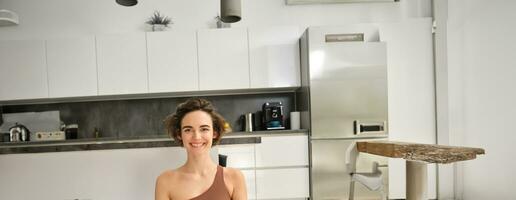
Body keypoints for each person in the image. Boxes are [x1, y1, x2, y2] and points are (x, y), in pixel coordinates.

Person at [155, 98, 247, 200]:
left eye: (204, 129)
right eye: (188, 130)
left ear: (214, 133)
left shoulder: (235, 178)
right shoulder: (165, 181)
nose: (197, 137)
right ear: (179, 134)